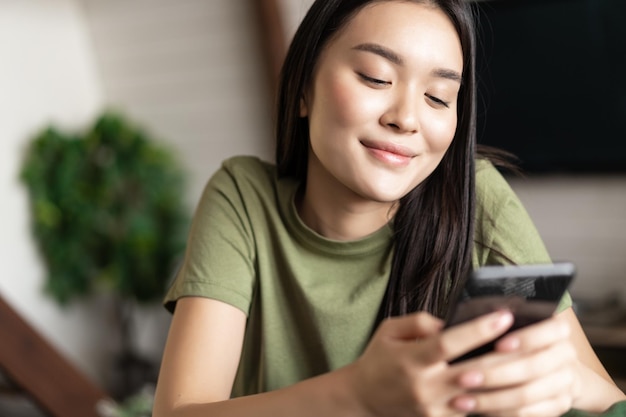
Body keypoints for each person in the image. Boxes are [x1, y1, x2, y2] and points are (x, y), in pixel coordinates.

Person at [153, 0, 626, 416]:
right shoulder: (243, 196)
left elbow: (606, 398)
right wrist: (359, 395)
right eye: (375, 77)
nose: (405, 118)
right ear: (302, 89)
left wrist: (566, 383)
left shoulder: (475, 194)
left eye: (438, 97)